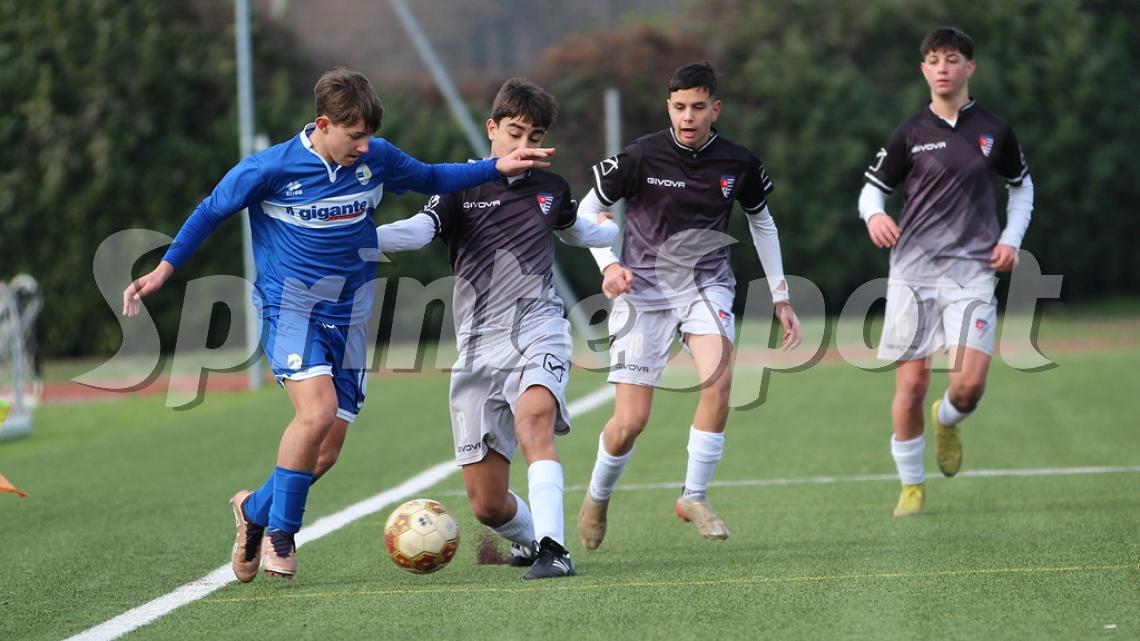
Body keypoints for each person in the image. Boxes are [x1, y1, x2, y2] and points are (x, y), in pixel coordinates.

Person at [121, 68, 554, 581]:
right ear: (323, 124)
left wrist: (495, 166)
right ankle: (283, 536)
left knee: (325, 450)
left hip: (349, 317)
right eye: (355, 136)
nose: (364, 146)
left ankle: (253, 511)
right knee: (317, 410)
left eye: (369, 136)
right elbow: (211, 211)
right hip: (289, 308)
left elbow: (433, 177)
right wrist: (165, 268)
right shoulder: (269, 168)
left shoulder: (376, 157)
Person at [375, 78, 617, 579]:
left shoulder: (551, 189)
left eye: (535, 137)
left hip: (538, 328)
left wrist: (611, 233)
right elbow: (418, 232)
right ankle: (531, 540)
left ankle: (554, 550)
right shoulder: (458, 185)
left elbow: (580, 231)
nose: (524, 145)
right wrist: (358, 236)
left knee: (534, 422)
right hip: (477, 347)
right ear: (492, 128)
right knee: (487, 504)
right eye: (514, 133)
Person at [576, 61, 802, 550]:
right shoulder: (640, 155)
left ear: (715, 109)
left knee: (719, 381)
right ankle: (597, 495)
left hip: (706, 285)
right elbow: (587, 209)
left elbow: (762, 223)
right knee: (630, 423)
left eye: (698, 107)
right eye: (679, 107)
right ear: (669, 107)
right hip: (641, 293)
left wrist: (780, 295)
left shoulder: (738, 163)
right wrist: (608, 264)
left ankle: (693, 496)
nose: (688, 117)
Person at [858, 27, 1033, 516]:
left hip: (973, 271)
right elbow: (872, 190)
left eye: (952, 59)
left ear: (969, 67)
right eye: (933, 60)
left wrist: (1011, 239)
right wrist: (874, 216)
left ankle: (949, 419)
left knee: (970, 384)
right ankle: (911, 487)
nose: (942, 68)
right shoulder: (910, 132)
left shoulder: (995, 131)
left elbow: (1022, 187)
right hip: (913, 272)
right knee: (911, 386)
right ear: (923, 70)